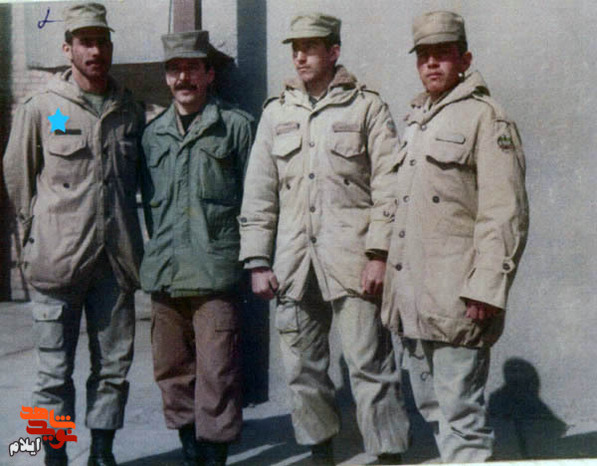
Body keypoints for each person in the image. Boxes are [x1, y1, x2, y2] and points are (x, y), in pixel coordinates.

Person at [239, 12, 410, 466]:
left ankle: (387, 455)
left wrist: (378, 254)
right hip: (294, 263)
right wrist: (257, 260)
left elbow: (389, 186)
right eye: (295, 48)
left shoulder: (367, 108)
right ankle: (319, 452)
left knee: (370, 366)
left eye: (310, 47)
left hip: (353, 260)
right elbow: (259, 192)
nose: (300, 57)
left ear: (333, 52)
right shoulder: (276, 113)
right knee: (303, 369)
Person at [382, 11, 529, 463]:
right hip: (414, 298)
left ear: (464, 59)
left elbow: (504, 213)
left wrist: (486, 287)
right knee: (435, 411)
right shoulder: (417, 119)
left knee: (462, 417)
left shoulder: (487, 118)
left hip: (458, 297)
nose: (431, 64)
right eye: (423, 55)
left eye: (442, 54)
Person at [2, 3, 145, 466]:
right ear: (68, 49)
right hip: (57, 262)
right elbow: (17, 176)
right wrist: (36, 235)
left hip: (115, 261)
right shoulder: (42, 107)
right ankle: (54, 455)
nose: (95, 51)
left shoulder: (128, 109)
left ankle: (101, 451)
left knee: (113, 367)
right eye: (85, 42)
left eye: (102, 41)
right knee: (52, 373)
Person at [139, 30, 253, 466]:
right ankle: (189, 451)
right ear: (166, 78)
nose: (183, 78)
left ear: (208, 74)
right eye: (174, 69)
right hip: (166, 272)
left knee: (218, 372)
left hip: (214, 272)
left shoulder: (236, 126)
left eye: (192, 68)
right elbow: (151, 208)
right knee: (171, 370)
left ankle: (215, 456)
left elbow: (254, 199)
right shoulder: (152, 135)